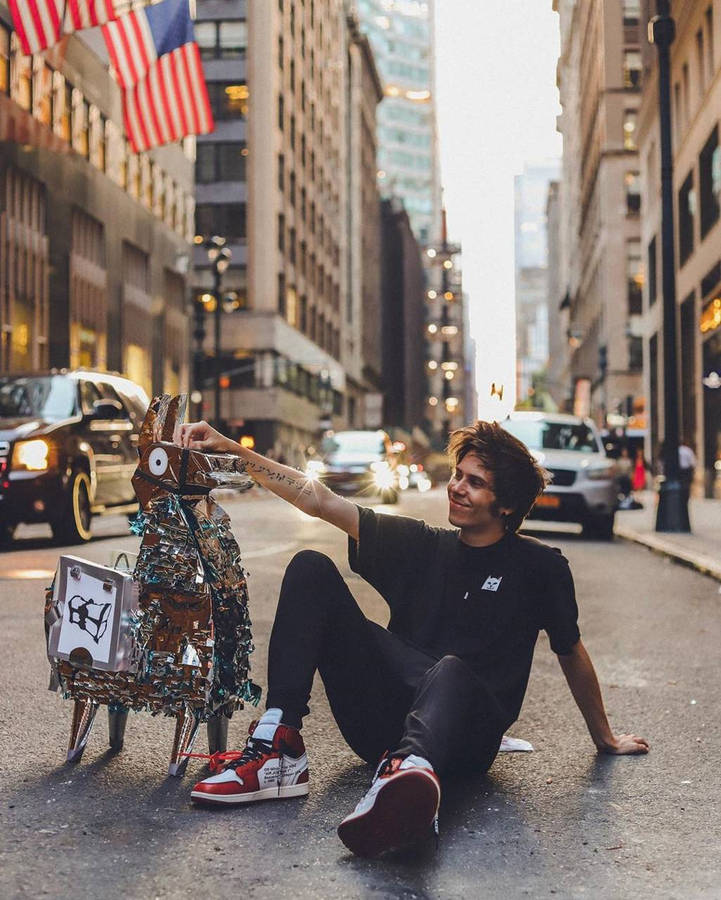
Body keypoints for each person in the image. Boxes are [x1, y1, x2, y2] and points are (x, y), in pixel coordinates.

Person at [175, 419, 649, 858]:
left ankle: (408, 777)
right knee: (310, 569)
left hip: (464, 739)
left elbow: (570, 649)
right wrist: (230, 450)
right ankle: (281, 748)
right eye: (458, 475)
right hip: (381, 726)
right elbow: (318, 499)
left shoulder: (540, 568)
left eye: (475, 482)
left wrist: (604, 736)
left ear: (505, 505)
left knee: (451, 669)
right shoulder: (423, 546)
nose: (457, 487)